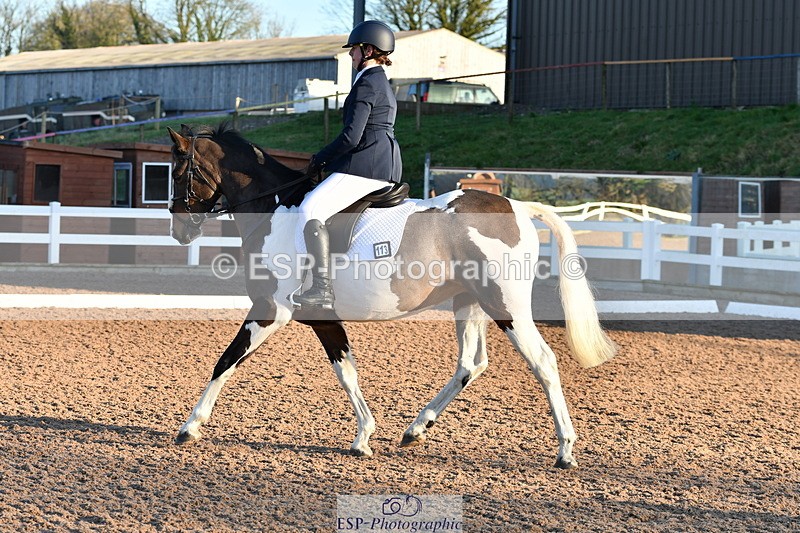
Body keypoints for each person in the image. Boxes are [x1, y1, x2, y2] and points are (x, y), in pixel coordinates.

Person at [294, 20, 403, 310]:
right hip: (384, 162)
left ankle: (322, 289)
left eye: (354, 50)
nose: (351, 56)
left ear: (368, 50)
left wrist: (321, 158)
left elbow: (352, 136)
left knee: (310, 208)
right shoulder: (381, 81)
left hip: (366, 164)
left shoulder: (368, 82)